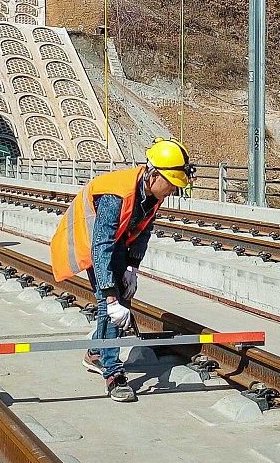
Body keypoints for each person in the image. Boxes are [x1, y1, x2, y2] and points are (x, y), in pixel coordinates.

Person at [49, 138, 193, 403]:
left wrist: (132, 268)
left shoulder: (153, 193)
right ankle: (113, 373)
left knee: (122, 297)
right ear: (153, 174)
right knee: (110, 306)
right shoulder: (118, 195)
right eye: (172, 183)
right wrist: (111, 297)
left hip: (116, 242)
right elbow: (100, 246)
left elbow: (143, 231)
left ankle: (95, 351)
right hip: (92, 240)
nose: (173, 190)